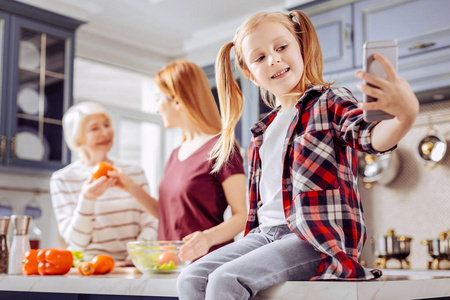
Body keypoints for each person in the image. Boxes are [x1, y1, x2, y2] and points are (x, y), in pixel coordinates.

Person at [177, 10, 419, 299]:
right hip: (264, 237)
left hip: (314, 239)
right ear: (249, 74)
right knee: (190, 278)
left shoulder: (329, 101)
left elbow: (370, 136)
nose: (274, 59)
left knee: (226, 280)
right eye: (260, 57)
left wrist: (404, 117)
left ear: (300, 47)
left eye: (281, 47)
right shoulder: (261, 132)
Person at [144, 59, 247, 262]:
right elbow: (165, 213)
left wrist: (207, 238)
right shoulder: (175, 153)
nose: (157, 108)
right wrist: (128, 186)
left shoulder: (222, 148)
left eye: (159, 99)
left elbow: (241, 216)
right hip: (170, 265)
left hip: (209, 265)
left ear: (177, 100)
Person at [49, 101, 158, 262]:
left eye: (107, 125)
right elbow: (77, 242)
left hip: (132, 265)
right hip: (89, 267)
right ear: (77, 138)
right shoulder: (62, 179)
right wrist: (87, 199)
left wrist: (135, 256)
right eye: (95, 128)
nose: (105, 133)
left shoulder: (134, 172)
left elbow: (151, 222)